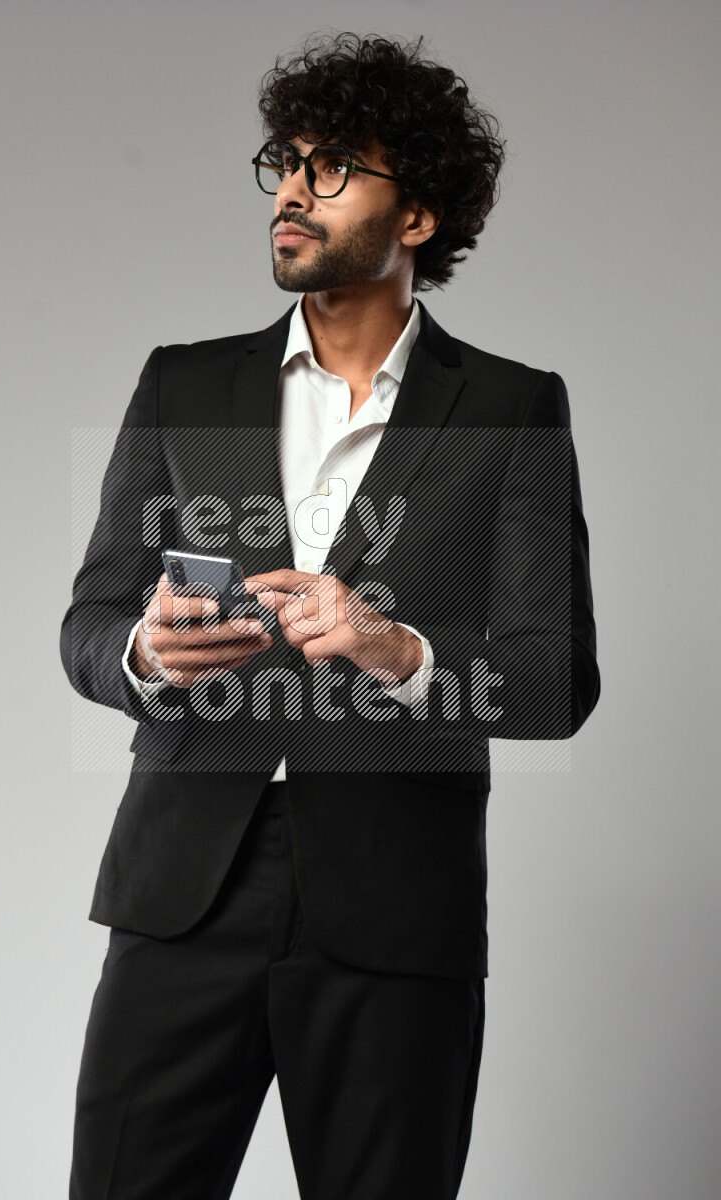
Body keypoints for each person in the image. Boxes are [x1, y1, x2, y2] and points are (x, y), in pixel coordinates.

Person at [60, 31, 600, 1200]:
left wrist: (393, 647)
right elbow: (90, 621)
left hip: (395, 905)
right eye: (285, 162)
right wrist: (144, 656)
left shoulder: (511, 408)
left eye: (333, 166)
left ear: (417, 216)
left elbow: (554, 682)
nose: (292, 190)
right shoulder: (181, 384)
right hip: (183, 889)